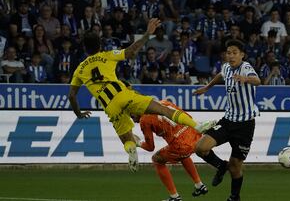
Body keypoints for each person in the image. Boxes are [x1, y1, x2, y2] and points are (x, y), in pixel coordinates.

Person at [68, 18, 215, 172]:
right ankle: (198, 126)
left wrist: (78, 114)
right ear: (99, 45)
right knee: (163, 110)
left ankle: (131, 150)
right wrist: (146, 34)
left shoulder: (79, 69)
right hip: (123, 95)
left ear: (85, 48)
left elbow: (72, 95)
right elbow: (131, 51)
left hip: (109, 106)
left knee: (127, 138)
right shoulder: (107, 55)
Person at [193, 40, 260, 201]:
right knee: (200, 148)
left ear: (242, 55)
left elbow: (257, 80)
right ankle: (222, 166)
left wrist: (245, 79)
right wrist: (207, 87)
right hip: (228, 120)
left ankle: (234, 197)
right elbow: (220, 76)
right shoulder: (226, 68)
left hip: (245, 124)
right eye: (228, 52)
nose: (230, 56)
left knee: (236, 166)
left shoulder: (246, 67)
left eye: (234, 52)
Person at [132, 100, 208, 201]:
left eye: (132, 116)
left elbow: (150, 147)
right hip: (195, 134)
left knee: (157, 159)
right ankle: (199, 185)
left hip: (182, 145)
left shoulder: (144, 120)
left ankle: (174, 197)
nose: (133, 120)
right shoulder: (164, 102)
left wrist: (138, 143)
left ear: (138, 110)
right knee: (182, 154)